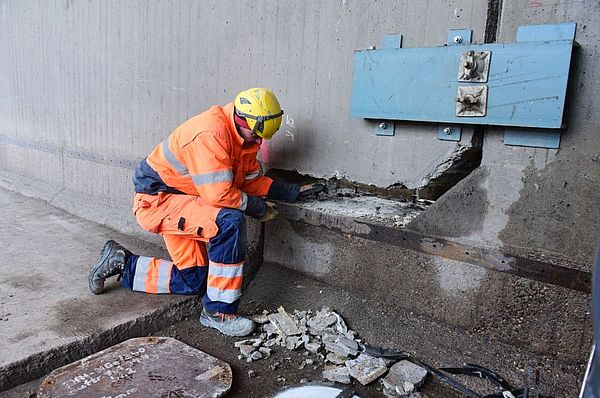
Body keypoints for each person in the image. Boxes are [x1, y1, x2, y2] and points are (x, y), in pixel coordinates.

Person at [88, 88, 323, 337]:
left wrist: (289, 192)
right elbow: (219, 195)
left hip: (185, 200)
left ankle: (123, 264)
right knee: (228, 222)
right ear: (243, 120)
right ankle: (218, 312)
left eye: (261, 137)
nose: (258, 142)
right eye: (255, 135)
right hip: (159, 201)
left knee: (195, 280)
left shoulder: (243, 137)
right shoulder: (210, 134)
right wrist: (257, 207)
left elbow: (249, 180)